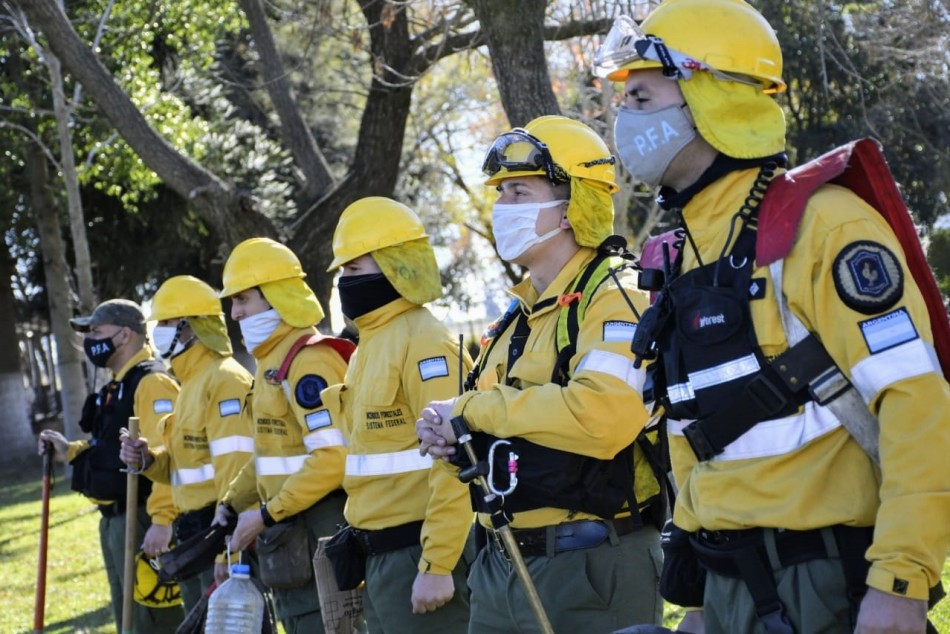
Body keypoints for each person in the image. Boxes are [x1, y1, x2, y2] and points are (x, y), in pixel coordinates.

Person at [593, 1, 950, 633]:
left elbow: (918, 403)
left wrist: (902, 579)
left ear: (712, 96)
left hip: (828, 584)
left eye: (642, 99)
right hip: (730, 585)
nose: (624, 121)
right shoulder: (681, 257)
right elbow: (690, 436)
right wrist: (702, 601)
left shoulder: (823, 224)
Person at [416, 115, 663, 632]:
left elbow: (604, 415)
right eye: (501, 193)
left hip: (590, 569)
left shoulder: (618, 294)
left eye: (519, 193)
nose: (501, 208)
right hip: (497, 567)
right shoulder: (514, 317)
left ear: (572, 205)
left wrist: (468, 410)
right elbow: (492, 434)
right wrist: (448, 437)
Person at [320, 196, 474, 632]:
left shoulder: (424, 341)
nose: (344, 282)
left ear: (396, 266)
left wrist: (439, 563)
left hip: (419, 556)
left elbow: (456, 461)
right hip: (382, 559)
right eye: (343, 271)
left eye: (354, 269)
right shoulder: (368, 344)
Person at [213, 237, 349, 634]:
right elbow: (274, 451)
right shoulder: (270, 361)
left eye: (243, 300)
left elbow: (332, 457)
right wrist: (233, 501)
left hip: (319, 532)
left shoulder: (308, 360)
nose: (235, 314)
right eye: (232, 303)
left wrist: (267, 513)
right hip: (289, 536)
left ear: (277, 296)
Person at [38, 299, 185, 632]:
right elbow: (106, 448)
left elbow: (168, 452)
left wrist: (162, 521)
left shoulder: (152, 383)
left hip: (144, 518)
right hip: (115, 522)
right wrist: (68, 450)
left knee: (153, 622)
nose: (90, 340)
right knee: (128, 622)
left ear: (123, 335)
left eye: (95, 331)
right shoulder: (117, 384)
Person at [118, 275, 255, 611]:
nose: (159, 330)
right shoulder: (190, 382)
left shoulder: (224, 380)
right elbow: (187, 464)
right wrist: (149, 460)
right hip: (194, 534)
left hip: (218, 533)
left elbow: (236, 469)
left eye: (167, 322)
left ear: (193, 326)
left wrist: (230, 548)